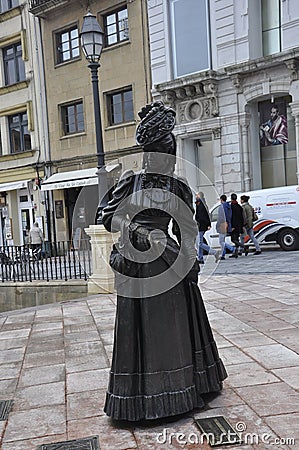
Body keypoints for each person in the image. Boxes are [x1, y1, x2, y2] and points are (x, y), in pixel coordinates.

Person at [102, 101, 227, 422]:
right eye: (164, 151)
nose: (169, 158)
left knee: (173, 329)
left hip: (169, 266)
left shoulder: (178, 187)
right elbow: (107, 217)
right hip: (137, 264)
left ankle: (185, 387)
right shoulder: (132, 182)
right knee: (141, 333)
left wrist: (190, 266)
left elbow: (187, 231)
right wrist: (136, 231)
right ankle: (140, 398)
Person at [195, 192, 220, 264]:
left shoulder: (201, 205)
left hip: (201, 225)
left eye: (197, 195)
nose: (196, 196)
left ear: (200, 196)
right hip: (201, 225)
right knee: (200, 242)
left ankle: (214, 252)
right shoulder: (200, 204)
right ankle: (200, 258)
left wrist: (205, 223)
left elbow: (202, 216)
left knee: (200, 243)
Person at [229, 193, 248, 258]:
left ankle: (244, 247)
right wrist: (242, 225)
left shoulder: (231, 207)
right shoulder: (239, 206)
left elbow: (232, 217)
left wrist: (232, 226)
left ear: (231, 199)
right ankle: (235, 253)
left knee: (233, 239)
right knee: (236, 239)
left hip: (234, 226)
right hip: (239, 225)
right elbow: (241, 217)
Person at [216, 194, 234, 260]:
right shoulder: (228, 206)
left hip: (222, 225)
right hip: (228, 224)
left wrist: (218, 225)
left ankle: (232, 248)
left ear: (221, 200)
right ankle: (223, 254)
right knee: (223, 239)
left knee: (221, 241)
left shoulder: (221, 207)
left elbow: (220, 217)